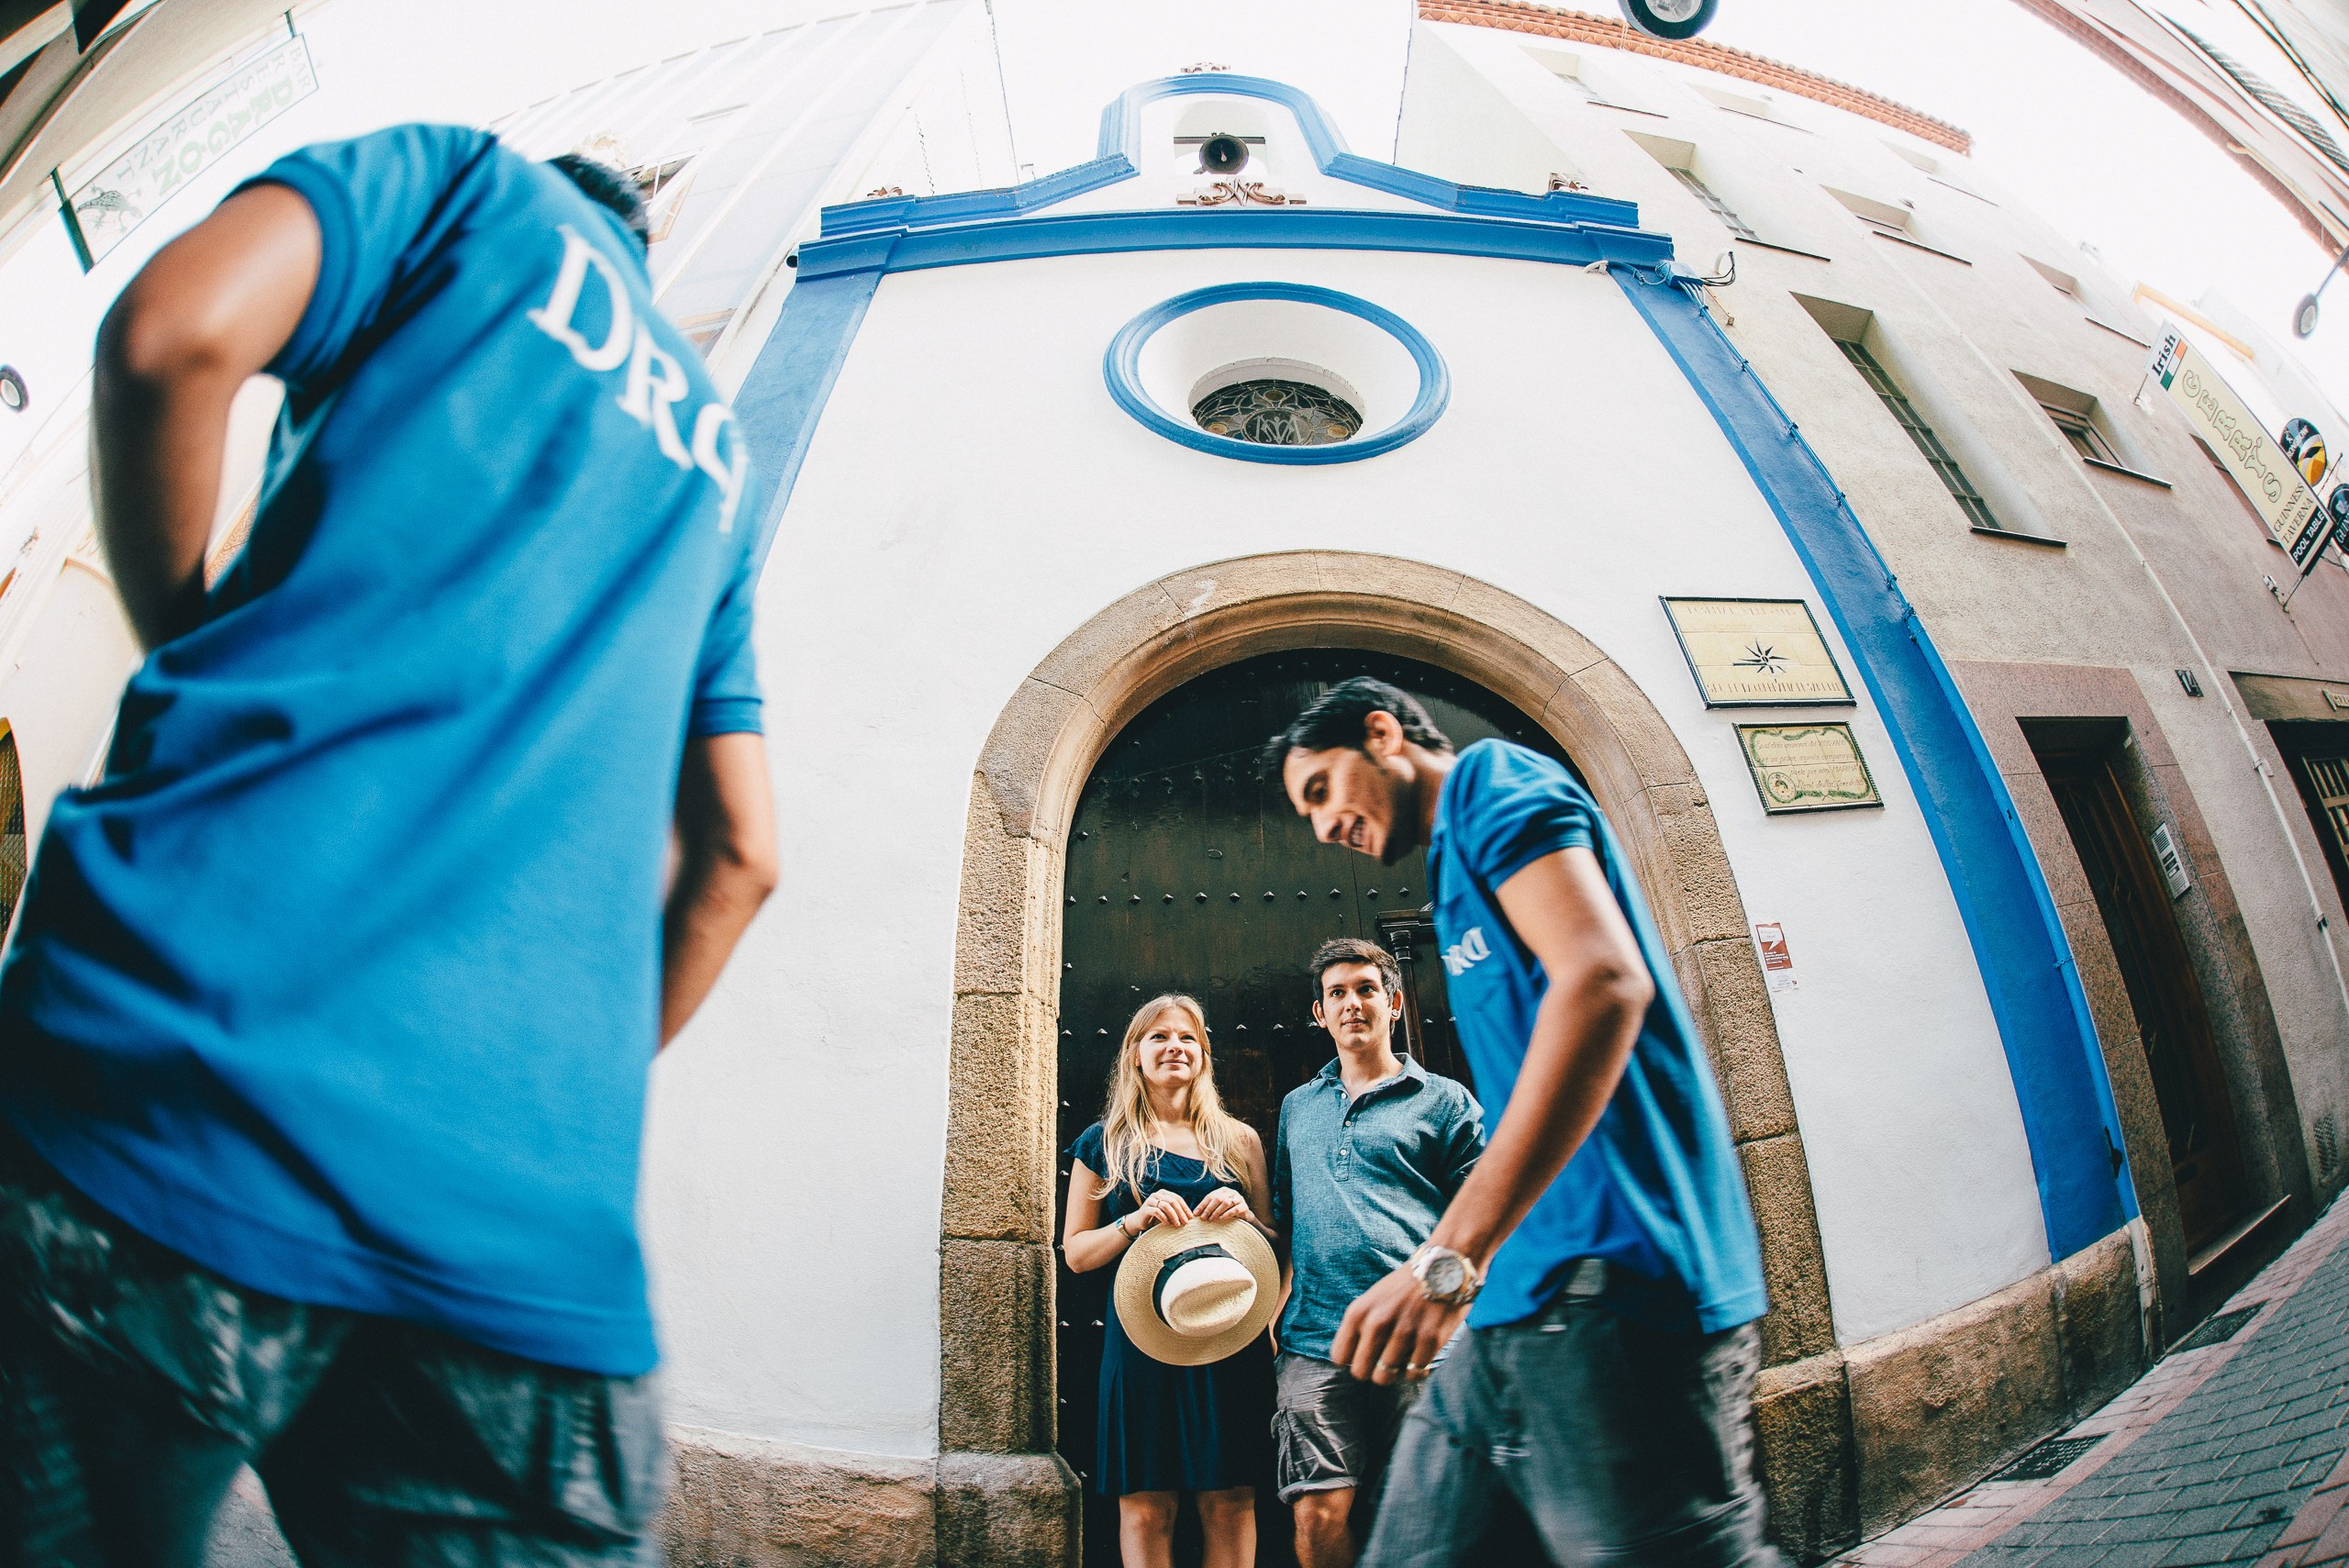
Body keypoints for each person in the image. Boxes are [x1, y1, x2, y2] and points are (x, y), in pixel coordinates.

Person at [0, 128, 773, 1565]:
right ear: (646, 255)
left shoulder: (467, 189)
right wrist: (533, 1086)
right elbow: (741, 857)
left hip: (175, 1082)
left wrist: (184, 648)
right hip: (522, 1235)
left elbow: (170, 336)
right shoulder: (719, 463)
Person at [1266, 679, 1777, 1566]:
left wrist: (1446, 1262)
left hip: (1616, 1286)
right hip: (1512, 1307)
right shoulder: (1451, 869)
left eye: (1321, 790)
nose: (1323, 827)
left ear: (1382, 735)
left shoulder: (1492, 783)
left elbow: (1603, 980)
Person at [1272, 937, 1484, 1568]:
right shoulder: (1296, 1108)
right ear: (1320, 1013)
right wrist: (1277, 1308)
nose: (1351, 1003)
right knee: (1316, 1513)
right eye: (1336, 993)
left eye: (1366, 989)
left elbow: (1483, 1220)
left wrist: (1456, 1309)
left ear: (1393, 1002)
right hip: (1313, 1342)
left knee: (1425, 1512)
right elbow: (1291, 1218)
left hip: (1419, 1341)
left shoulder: (1444, 1100)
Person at [1062, 995, 1277, 1568]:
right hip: (1141, 1344)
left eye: (1187, 1037)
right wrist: (1132, 1222)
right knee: (1146, 1506)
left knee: (1231, 1500)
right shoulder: (1103, 1141)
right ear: (1135, 1054)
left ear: (1203, 1054)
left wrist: (1248, 1218)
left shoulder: (1241, 1141)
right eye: (1158, 1037)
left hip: (1229, 1335)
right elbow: (1076, 1253)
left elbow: (1277, 1247)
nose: (1174, 1047)